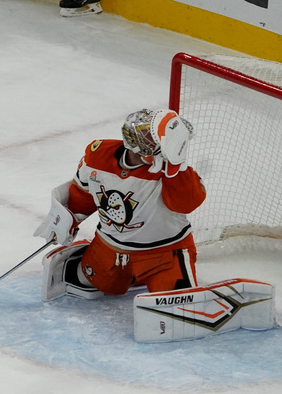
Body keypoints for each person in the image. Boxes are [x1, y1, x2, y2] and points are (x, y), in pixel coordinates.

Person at [34, 109, 207, 300]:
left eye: (150, 135)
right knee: (87, 281)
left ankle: (152, 276)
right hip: (111, 248)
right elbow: (83, 194)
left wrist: (175, 169)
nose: (140, 134)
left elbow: (186, 204)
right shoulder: (98, 154)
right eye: (143, 129)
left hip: (164, 254)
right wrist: (68, 217)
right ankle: (117, 269)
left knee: (174, 305)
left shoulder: (174, 173)